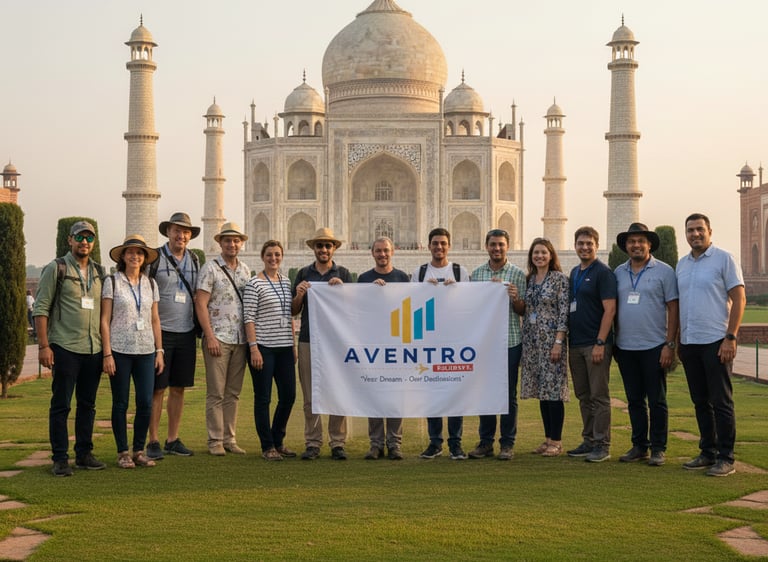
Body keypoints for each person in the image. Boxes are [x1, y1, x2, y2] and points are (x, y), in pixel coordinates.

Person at [33, 220, 107, 476]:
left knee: (88, 404)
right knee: (62, 404)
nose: (84, 242)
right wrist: (44, 346)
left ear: (93, 242)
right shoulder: (57, 268)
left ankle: (84, 454)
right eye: (80, 237)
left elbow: (105, 314)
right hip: (65, 346)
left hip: (92, 348)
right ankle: (60, 458)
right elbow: (41, 309)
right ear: (70, 240)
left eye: (89, 238)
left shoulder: (99, 271)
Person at [676, 213, 745, 477]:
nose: (695, 234)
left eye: (699, 229)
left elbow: (739, 299)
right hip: (690, 341)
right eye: (690, 230)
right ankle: (708, 451)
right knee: (700, 401)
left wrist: (731, 337)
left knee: (721, 401)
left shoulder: (723, 259)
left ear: (709, 231)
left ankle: (726, 457)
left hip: (717, 341)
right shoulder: (682, 265)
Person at [613, 223, 679, 467]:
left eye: (641, 241)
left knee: (657, 400)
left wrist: (669, 344)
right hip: (626, 347)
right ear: (626, 246)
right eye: (632, 241)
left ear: (649, 244)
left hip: (654, 345)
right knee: (634, 400)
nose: (636, 245)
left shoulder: (664, 271)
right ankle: (639, 445)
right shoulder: (619, 272)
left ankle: (658, 448)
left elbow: (674, 308)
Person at [101, 235, 164, 469]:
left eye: (139, 253)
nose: (135, 256)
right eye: (131, 252)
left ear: (145, 258)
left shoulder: (151, 284)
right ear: (123, 256)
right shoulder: (113, 282)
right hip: (119, 349)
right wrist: (107, 353)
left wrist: (159, 350)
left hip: (146, 349)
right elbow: (105, 320)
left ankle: (139, 450)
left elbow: (155, 319)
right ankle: (122, 452)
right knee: (121, 403)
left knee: (146, 402)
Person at [292, 228, 352, 460]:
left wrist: (342, 291)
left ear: (334, 248)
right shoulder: (304, 274)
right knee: (310, 394)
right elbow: (295, 311)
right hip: (309, 339)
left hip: (336, 342)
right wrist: (299, 294)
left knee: (337, 391)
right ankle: (313, 442)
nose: (324, 249)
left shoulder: (344, 273)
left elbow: (351, 309)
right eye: (320, 246)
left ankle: (337, 442)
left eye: (328, 246)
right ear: (314, 248)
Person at [412, 227, 470, 461]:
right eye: (435, 243)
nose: (439, 247)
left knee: (455, 392)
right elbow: (410, 303)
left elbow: (470, 303)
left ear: (449, 246)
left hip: (454, 342)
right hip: (428, 341)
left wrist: (453, 291)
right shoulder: (419, 272)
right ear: (429, 246)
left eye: (443, 243)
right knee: (432, 394)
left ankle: (455, 443)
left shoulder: (459, 271)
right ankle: (435, 442)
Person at [146, 212, 200, 460]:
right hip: (162, 333)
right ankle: (153, 440)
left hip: (186, 331)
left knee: (179, 388)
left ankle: (172, 438)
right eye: (177, 230)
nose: (181, 235)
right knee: (158, 388)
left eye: (186, 231)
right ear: (168, 232)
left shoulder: (195, 260)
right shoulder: (155, 259)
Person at [468, 229, 526, 461]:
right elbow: (472, 308)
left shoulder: (517, 274)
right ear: (486, 246)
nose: (497, 249)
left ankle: (507, 443)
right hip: (485, 343)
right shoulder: (477, 274)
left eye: (501, 245)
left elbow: (523, 310)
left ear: (507, 246)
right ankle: (485, 442)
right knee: (486, 393)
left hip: (510, 340)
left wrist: (514, 298)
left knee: (508, 395)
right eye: (493, 245)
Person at [195, 222, 251, 456]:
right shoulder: (211, 268)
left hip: (240, 339)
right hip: (218, 337)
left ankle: (230, 438)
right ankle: (215, 440)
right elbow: (201, 303)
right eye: (227, 240)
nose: (232, 244)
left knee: (233, 393)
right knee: (216, 392)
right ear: (220, 243)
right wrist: (209, 336)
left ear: (241, 243)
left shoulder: (245, 270)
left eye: (236, 240)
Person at [567, 226, 617, 463]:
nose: (585, 247)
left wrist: (600, 342)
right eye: (581, 243)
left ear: (596, 246)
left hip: (594, 344)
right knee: (584, 395)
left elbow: (610, 309)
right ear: (575, 245)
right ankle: (588, 440)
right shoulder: (575, 272)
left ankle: (602, 444)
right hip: (576, 344)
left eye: (589, 243)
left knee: (599, 395)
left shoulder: (602, 272)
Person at [358, 237, 411, 461]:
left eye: (386, 250)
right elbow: (356, 307)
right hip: (373, 344)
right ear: (372, 253)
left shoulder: (402, 278)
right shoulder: (364, 279)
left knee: (395, 395)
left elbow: (410, 307)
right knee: (375, 393)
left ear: (393, 251)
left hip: (397, 343)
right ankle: (376, 444)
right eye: (378, 251)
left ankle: (394, 443)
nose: (382, 254)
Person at [244, 240, 297, 461]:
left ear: (281, 256)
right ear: (262, 257)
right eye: (269, 255)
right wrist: (254, 348)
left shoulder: (285, 282)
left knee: (288, 396)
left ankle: (278, 439)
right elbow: (249, 318)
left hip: (284, 347)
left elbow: (290, 315)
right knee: (263, 398)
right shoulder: (254, 284)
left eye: (277, 254)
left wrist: (293, 345)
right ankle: (267, 446)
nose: (273, 258)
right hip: (263, 348)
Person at [520, 238, 570, 458]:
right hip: (532, 342)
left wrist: (558, 341)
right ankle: (548, 438)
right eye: (536, 253)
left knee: (553, 393)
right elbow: (525, 309)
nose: (539, 256)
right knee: (542, 391)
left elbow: (563, 312)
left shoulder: (559, 279)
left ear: (551, 255)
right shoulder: (530, 280)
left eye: (543, 252)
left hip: (551, 341)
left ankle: (557, 441)